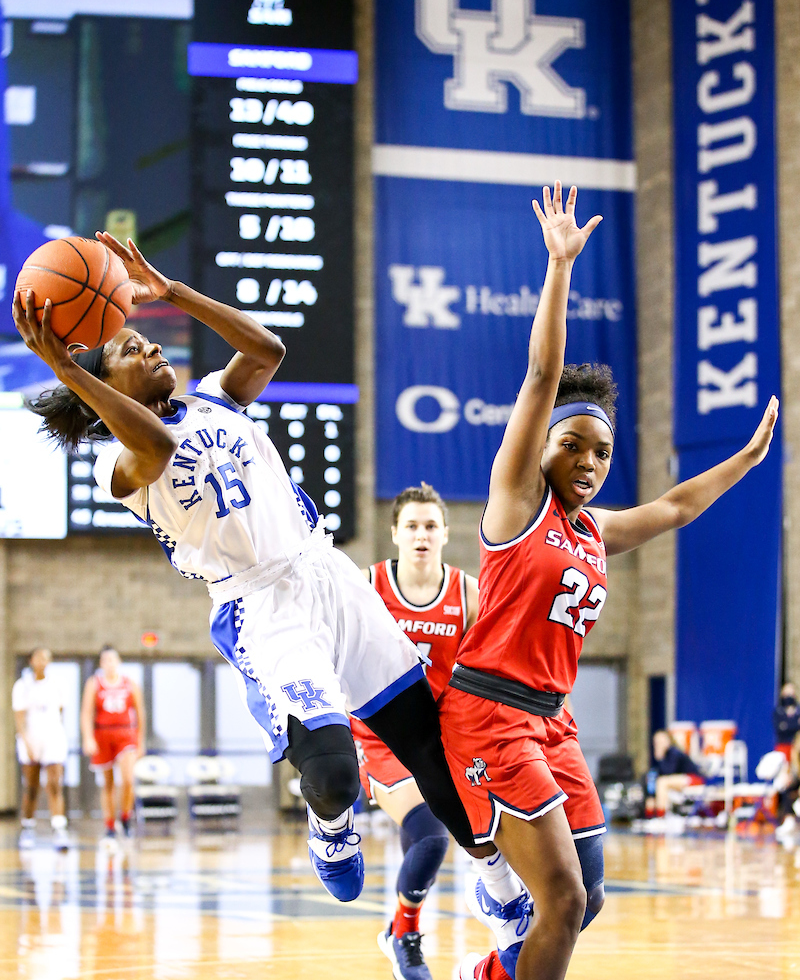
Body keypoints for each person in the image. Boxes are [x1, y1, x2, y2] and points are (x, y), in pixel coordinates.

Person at [437, 182, 779, 980]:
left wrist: (745, 463)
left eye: (601, 454)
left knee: (589, 891)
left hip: (553, 724)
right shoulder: (516, 505)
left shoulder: (594, 532)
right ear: (543, 450)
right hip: (489, 712)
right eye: (576, 448)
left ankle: (501, 976)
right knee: (560, 901)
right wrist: (558, 269)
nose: (590, 463)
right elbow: (543, 380)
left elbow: (671, 508)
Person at [15, 233, 478, 900]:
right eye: (126, 350)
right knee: (336, 776)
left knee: (432, 748)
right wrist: (69, 372)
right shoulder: (117, 464)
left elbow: (268, 350)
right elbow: (153, 441)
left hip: (326, 573)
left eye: (145, 338)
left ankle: (501, 887)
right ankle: (332, 822)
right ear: (104, 387)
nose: (148, 345)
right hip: (263, 610)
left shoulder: (213, 399)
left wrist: (174, 292)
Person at [352, 482, 478, 980]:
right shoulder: (369, 585)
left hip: (443, 739)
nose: (422, 534)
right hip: (381, 735)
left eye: (430, 526)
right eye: (412, 526)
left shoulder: (467, 593)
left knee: (477, 834)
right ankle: (404, 931)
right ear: (395, 534)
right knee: (431, 834)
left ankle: (508, 921)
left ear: (445, 534)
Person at [80, 646, 145, 840]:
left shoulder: (129, 683)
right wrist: (88, 737)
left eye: (113, 659)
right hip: (103, 734)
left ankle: (125, 817)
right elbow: (86, 713)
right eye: (106, 660)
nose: (110, 663)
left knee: (127, 780)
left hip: (125, 733)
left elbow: (140, 713)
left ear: (119, 662)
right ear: (101, 663)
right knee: (108, 783)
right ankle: (109, 824)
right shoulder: (94, 683)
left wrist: (140, 740)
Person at [12, 647, 70, 850]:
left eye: (46, 658)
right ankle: (27, 828)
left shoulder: (57, 684)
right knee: (31, 786)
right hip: (31, 738)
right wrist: (26, 742)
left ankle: (59, 828)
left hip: (52, 738)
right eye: (39, 657)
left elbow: (61, 711)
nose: (42, 661)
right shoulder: (22, 686)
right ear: (31, 660)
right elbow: (19, 717)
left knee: (54, 783)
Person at [645, 729, 704, 816]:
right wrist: (652, 796)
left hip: (693, 779)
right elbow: (656, 775)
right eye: (657, 741)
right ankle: (652, 815)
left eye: (661, 740)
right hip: (677, 780)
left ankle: (661, 816)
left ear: (668, 740)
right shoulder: (661, 755)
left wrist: (660, 759)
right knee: (656, 787)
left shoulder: (674, 752)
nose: (659, 744)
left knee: (662, 782)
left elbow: (669, 772)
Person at [772, 683, 800, 763]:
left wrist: (787, 724)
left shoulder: (798, 710)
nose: (789, 696)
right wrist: (795, 723)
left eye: (791, 693)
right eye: (787, 693)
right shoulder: (778, 711)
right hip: (783, 745)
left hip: (796, 746)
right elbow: (780, 728)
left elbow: (786, 727)